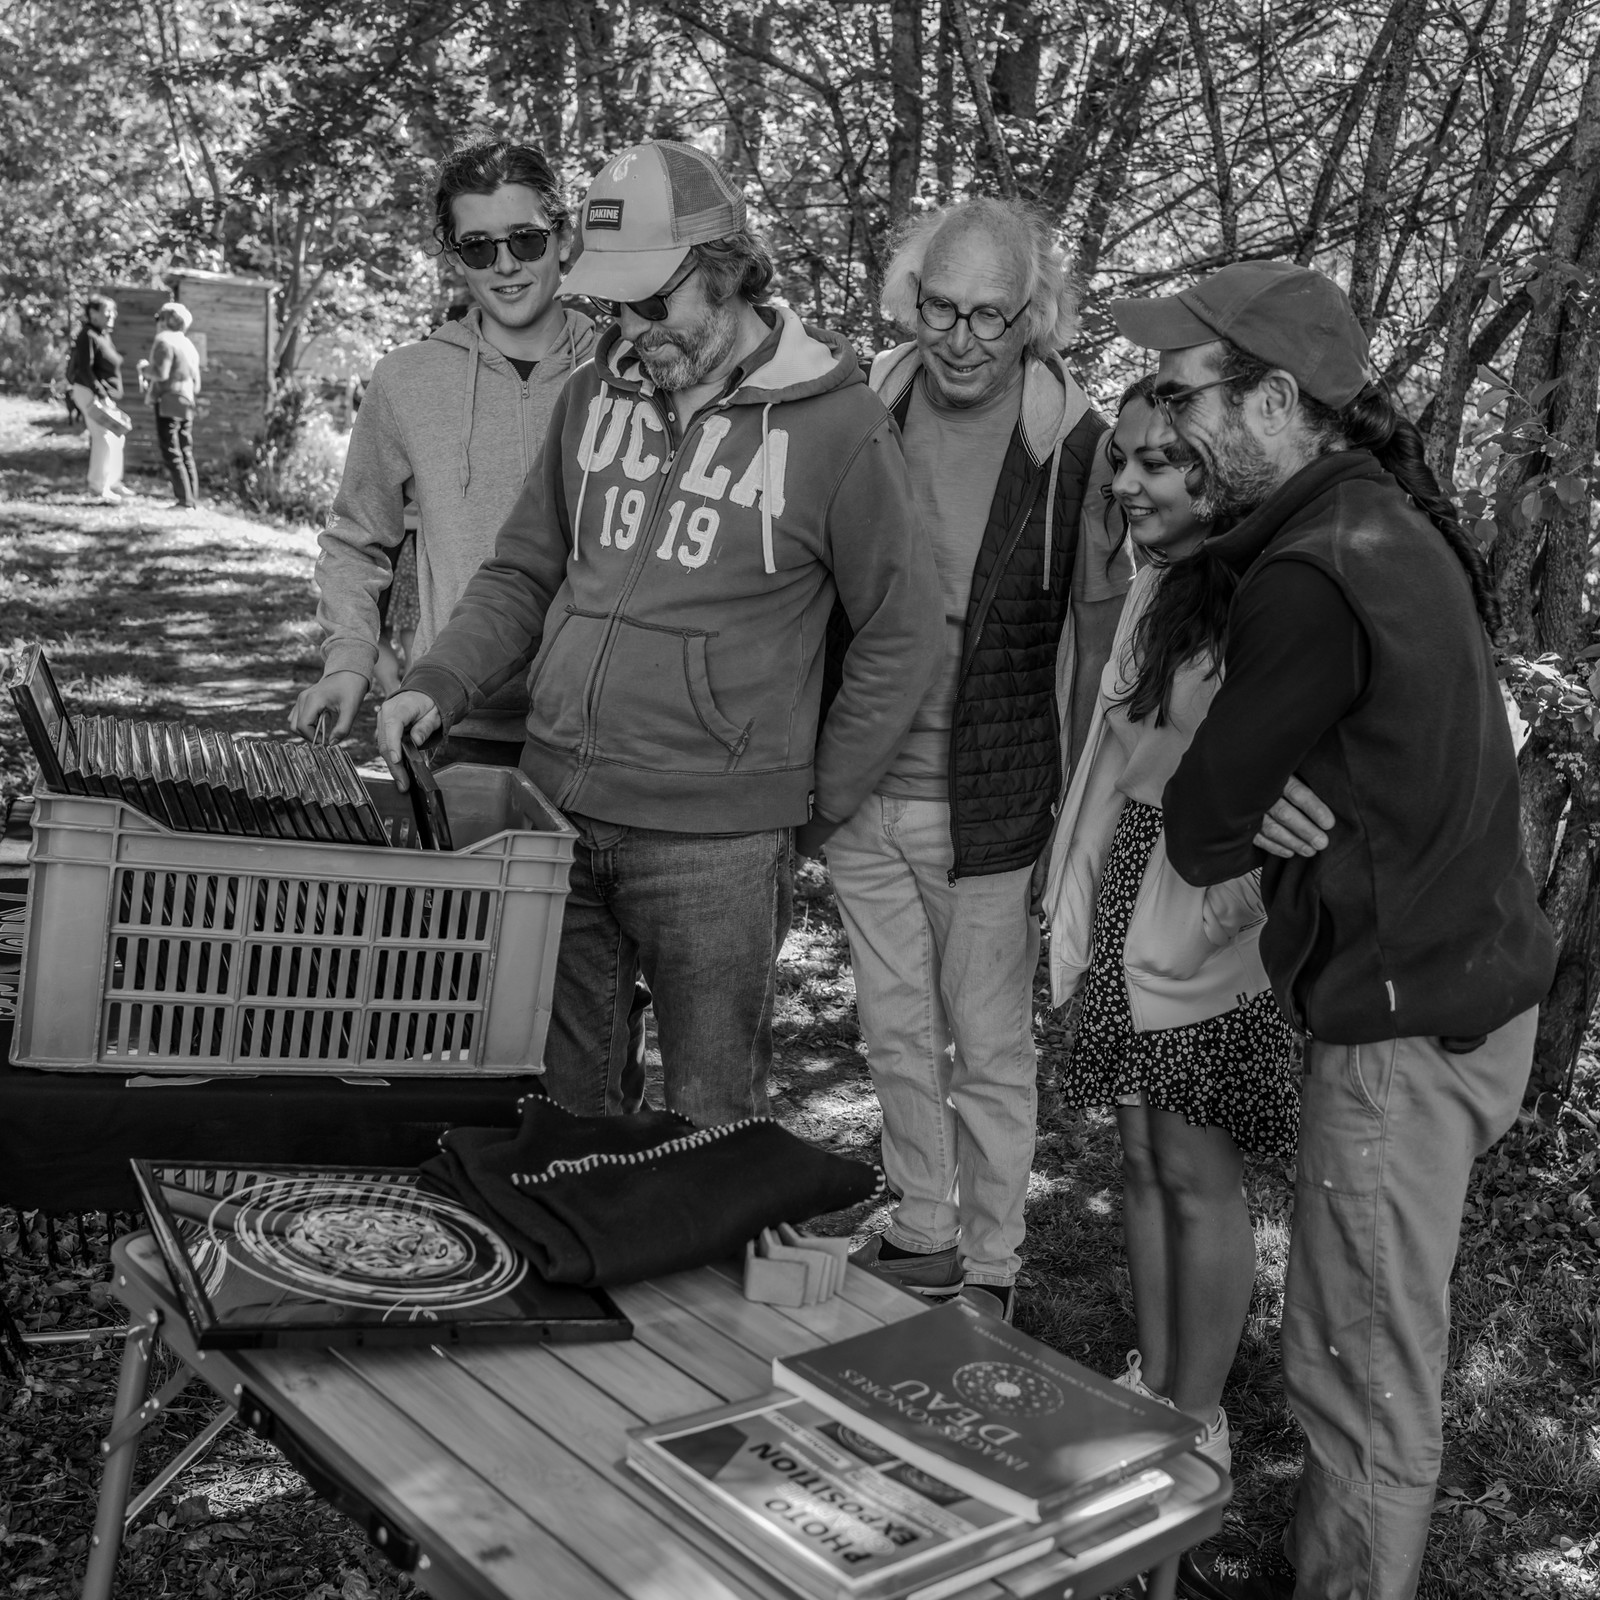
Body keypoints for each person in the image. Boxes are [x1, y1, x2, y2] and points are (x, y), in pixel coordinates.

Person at [1110, 260, 1557, 1600]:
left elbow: (1201, 826)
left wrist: (1253, 793)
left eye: (1186, 393)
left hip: (1404, 1024)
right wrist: (1277, 787)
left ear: (1273, 404)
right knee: (1354, 1346)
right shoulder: (1377, 521)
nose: (1166, 422)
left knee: (1359, 1372)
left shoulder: (1313, 569)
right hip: (1458, 993)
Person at [381, 140, 943, 1129]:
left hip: (717, 844)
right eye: (613, 307)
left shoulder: (840, 427)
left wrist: (813, 802)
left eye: (650, 304)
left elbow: (900, 635)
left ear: (724, 272)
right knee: (560, 1114)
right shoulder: (592, 394)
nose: (632, 332)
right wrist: (437, 681)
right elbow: (523, 571)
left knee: (708, 1126)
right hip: (556, 808)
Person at [830, 197, 1134, 1324]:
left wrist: (1077, 813)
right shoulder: (858, 410)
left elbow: (1100, 644)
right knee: (894, 1032)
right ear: (910, 303)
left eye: (989, 316)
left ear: (1032, 318)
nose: (961, 340)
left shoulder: (1078, 449)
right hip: (862, 788)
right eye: (940, 308)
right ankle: (921, 1228)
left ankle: (992, 1263)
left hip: (995, 802)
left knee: (992, 1048)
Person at [1044, 377, 1299, 1488]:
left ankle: (1199, 1419)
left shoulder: (1270, 591)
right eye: (1124, 458)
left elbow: (1282, 771)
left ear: (1217, 471)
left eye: (1157, 461)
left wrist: (1230, 911)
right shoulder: (1160, 584)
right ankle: (1150, 1384)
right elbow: (1122, 754)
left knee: (1197, 1169)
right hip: (1132, 879)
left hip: (1206, 897)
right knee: (1142, 1156)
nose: (1127, 480)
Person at [290, 138, 598, 761]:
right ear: (456, 256)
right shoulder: (407, 379)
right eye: (478, 246)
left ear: (564, 240)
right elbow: (357, 539)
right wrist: (348, 659)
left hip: (598, 727)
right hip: (450, 718)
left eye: (526, 240)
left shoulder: (625, 371)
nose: (504, 265)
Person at [67, 294, 131, 503]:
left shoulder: (103, 335)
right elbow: (85, 368)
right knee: (103, 436)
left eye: (113, 311)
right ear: (93, 313)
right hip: (90, 391)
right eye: (107, 311)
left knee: (117, 436)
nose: (112, 315)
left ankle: (114, 482)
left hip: (103, 393)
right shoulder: (87, 335)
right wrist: (101, 395)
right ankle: (98, 486)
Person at [140, 301, 202, 509]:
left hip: (168, 399)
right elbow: (197, 383)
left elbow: (160, 373)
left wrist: (144, 369)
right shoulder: (189, 345)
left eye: (159, 318)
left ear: (166, 320)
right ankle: (192, 500)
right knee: (185, 450)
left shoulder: (164, 340)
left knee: (171, 451)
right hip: (187, 400)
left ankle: (184, 501)